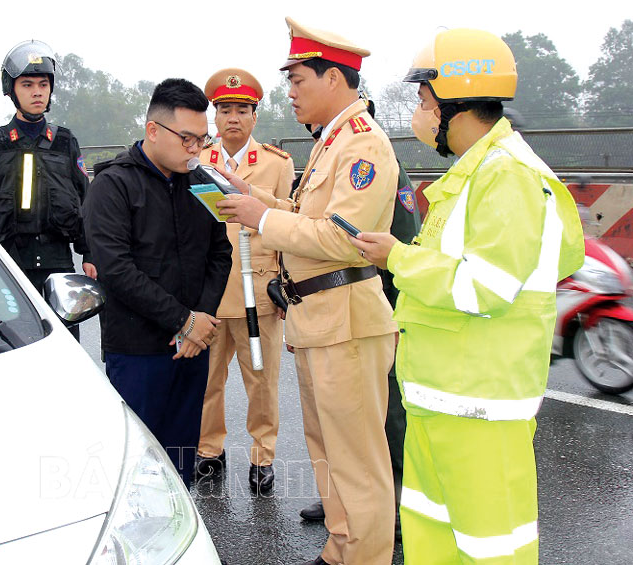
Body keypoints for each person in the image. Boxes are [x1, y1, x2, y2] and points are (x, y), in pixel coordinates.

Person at [348, 29, 584, 564]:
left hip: (480, 403)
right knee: (435, 535)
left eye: (425, 99)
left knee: (491, 545)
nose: (420, 111)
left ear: (456, 102)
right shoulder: (473, 173)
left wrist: (398, 258)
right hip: (439, 396)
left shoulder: (509, 176)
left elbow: (489, 284)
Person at [216, 17, 399, 565]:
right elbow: (307, 215)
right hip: (317, 315)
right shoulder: (330, 143)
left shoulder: (364, 146)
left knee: (358, 460)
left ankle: (365, 555)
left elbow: (345, 239)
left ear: (334, 81)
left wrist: (261, 220)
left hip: (346, 316)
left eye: (298, 81)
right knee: (326, 452)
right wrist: (260, 201)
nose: (290, 93)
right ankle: (341, 546)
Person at [82, 78, 232, 488]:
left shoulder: (203, 183)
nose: (194, 149)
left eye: (201, 140)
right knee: (139, 464)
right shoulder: (113, 186)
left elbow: (221, 254)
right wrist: (182, 320)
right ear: (153, 130)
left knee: (181, 462)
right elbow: (116, 269)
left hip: (193, 347)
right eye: (186, 138)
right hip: (139, 350)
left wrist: (201, 320)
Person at [299, 97, 421, 541]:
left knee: (385, 418)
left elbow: (401, 238)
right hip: (335, 303)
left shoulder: (369, 154)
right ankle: (350, 510)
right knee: (342, 430)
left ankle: (396, 503)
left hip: (376, 300)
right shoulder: (325, 153)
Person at [193, 68, 295, 494]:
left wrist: (288, 289)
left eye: (242, 110)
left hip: (259, 293)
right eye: (224, 110)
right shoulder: (197, 163)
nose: (233, 118)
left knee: (262, 382)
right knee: (206, 381)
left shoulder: (276, 163)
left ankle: (262, 456)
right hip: (211, 294)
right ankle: (209, 449)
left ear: (255, 115)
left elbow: (292, 220)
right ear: (214, 117)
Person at [0, 39, 95, 340]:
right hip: (9, 265)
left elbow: (84, 199)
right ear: (12, 89)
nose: (37, 92)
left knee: (65, 343)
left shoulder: (65, 142)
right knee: (14, 343)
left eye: (43, 84)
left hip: (59, 263)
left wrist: (90, 253)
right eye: (27, 84)